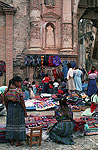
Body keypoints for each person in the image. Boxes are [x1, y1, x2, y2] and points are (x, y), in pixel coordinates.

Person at [4, 76, 27, 146]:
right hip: (17, 108)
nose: (20, 84)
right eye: (20, 82)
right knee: (18, 124)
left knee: (10, 123)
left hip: (10, 108)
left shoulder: (7, 90)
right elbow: (22, 102)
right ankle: (17, 141)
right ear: (16, 82)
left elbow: (5, 100)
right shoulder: (18, 90)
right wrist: (25, 111)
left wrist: (7, 108)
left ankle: (11, 141)